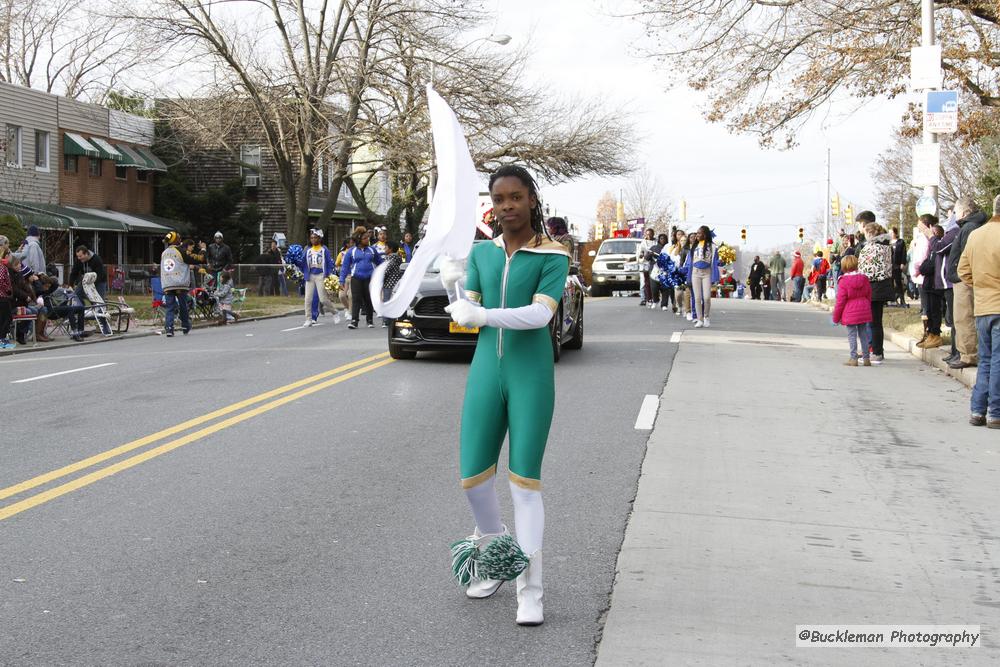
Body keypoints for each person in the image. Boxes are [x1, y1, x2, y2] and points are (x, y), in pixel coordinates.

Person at [441, 164, 570, 626]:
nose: (507, 206)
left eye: (516, 197)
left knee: (524, 484)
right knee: (473, 480)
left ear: (532, 199)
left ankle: (530, 590)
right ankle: (498, 557)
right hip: (484, 373)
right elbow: (467, 311)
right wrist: (453, 290)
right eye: (499, 200)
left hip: (530, 376)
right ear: (491, 207)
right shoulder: (482, 254)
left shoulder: (553, 256)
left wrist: (483, 315)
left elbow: (538, 317)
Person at [958, 194, 1000, 427]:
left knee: (985, 360)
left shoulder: (976, 234)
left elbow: (963, 270)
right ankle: (995, 412)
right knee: (998, 361)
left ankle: (977, 410)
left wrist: (981, 286)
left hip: (983, 306)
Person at [947, 197, 988, 370]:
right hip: (963, 278)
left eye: (955, 212)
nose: (954, 215)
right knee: (963, 317)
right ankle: (966, 353)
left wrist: (960, 275)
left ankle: (968, 354)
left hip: (964, 280)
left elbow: (967, 255)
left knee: (964, 317)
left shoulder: (969, 227)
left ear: (963, 211)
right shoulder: (971, 225)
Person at [856, 214, 894, 365]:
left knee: (872, 322)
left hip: (872, 287)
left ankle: (876, 351)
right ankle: (875, 349)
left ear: (870, 233)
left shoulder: (871, 248)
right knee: (876, 321)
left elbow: (865, 269)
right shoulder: (886, 247)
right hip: (882, 285)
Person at [832, 254, 873, 366]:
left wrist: (836, 318)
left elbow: (840, 301)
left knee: (852, 335)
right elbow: (869, 294)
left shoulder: (843, 281)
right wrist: (867, 307)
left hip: (850, 311)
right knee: (864, 334)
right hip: (864, 308)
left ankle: (853, 358)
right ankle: (866, 358)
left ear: (844, 267)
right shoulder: (864, 278)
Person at [339, 226, 383, 329]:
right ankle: (354, 321)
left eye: (368, 238)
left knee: (368, 298)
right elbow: (345, 267)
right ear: (359, 240)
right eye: (365, 238)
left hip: (369, 278)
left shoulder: (372, 250)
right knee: (356, 299)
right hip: (356, 278)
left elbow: (380, 262)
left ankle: (370, 320)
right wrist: (341, 280)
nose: (367, 239)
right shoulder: (351, 251)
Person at [297, 229, 339, 328]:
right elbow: (302, 263)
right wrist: (295, 261)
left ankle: (334, 312)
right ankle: (308, 319)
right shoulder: (307, 250)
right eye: (311, 238)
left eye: (315, 237)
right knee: (308, 299)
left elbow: (329, 263)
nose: (313, 240)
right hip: (310, 276)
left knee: (323, 299)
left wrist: (328, 275)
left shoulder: (324, 249)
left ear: (319, 238)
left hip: (321, 275)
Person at [160, 232, 195, 337]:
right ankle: (185, 326)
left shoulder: (164, 253)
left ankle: (169, 329)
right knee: (183, 305)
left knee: (169, 307)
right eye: (179, 238)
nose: (180, 240)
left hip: (167, 284)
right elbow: (195, 259)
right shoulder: (181, 251)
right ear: (176, 240)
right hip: (180, 283)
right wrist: (203, 250)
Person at [686, 225, 719, 328]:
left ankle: (706, 317)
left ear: (705, 234)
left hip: (707, 273)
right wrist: (687, 274)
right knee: (697, 297)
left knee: (707, 297)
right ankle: (699, 319)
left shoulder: (712, 246)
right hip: (695, 273)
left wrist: (722, 261)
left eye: (699, 233)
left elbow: (716, 260)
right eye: (697, 233)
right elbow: (689, 262)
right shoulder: (694, 246)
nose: (697, 235)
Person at [380, 240, 404, 328]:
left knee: (387, 302)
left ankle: (386, 321)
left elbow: (385, 271)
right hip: (396, 284)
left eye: (386, 247)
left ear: (390, 249)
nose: (384, 249)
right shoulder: (398, 257)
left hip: (389, 284)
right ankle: (394, 319)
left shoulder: (391, 258)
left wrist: (378, 278)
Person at [670, 230, 688, 317]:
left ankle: (685, 308)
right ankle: (679, 306)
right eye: (681, 240)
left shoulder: (690, 250)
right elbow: (671, 261)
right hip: (677, 274)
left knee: (685, 292)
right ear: (679, 241)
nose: (683, 242)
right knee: (678, 293)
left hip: (686, 274)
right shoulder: (675, 250)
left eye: (685, 240)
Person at [637, 228, 656, 306]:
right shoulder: (643, 243)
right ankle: (643, 298)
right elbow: (639, 254)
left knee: (653, 282)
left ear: (653, 234)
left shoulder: (656, 242)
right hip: (644, 264)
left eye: (650, 234)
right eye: (647, 234)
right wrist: (642, 256)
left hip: (654, 264)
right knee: (643, 282)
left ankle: (652, 298)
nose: (649, 235)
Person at [890, 227, 908, 307]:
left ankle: (902, 300)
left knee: (898, 283)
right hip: (889, 266)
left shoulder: (900, 242)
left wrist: (902, 263)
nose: (890, 234)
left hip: (897, 265)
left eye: (892, 232)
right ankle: (892, 300)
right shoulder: (887, 242)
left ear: (895, 233)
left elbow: (904, 253)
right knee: (890, 283)